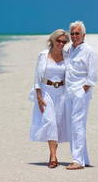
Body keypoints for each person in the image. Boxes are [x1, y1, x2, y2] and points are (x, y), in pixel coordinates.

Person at [29, 29, 70, 168]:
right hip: (46, 92)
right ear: (52, 40)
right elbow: (37, 77)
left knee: (57, 123)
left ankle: (54, 155)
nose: (60, 43)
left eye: (64, 41)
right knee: (50, 121)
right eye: (58, 40)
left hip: (62, 93)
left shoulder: (67, 56)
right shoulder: (43, 55)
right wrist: (38, 96)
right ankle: (53, 157)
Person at [65, 20, 98, 170]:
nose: (74, 36)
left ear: (83, 35)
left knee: (77, 125)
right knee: (74, 125)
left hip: (80, 93)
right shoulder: (69, 50)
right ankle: (84, 158)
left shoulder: (89, 51)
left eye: (77, 33)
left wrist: (84, 89)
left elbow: (93, 74)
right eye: (72, 33)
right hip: (68, 92)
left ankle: (77, 160)